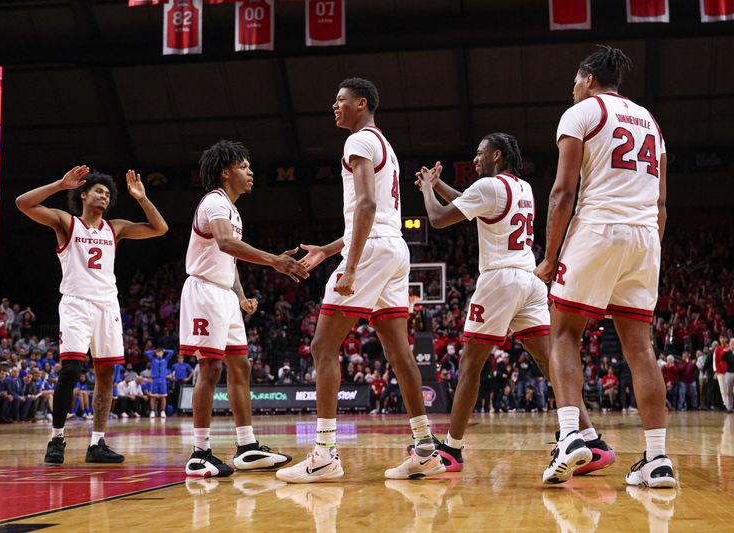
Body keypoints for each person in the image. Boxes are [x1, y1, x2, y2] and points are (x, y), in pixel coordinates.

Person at [277, 78, 445, 483]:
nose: (334, 107)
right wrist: (328, 250)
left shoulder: (357, 143)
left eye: (340, 100)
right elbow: (376, 216)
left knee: (322, 346)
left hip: (371, 250)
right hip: (393, 249)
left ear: (361, 102)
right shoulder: (383, 144)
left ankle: (325, 454)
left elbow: (367, 205)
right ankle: (425, 450)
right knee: (398, 352)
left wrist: (350, 266)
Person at [414, 133, 612, 474]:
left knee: (470, 367)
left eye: (480, 153)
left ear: (499, 155)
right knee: (552, 364)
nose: (475, 159)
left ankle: (451, 449)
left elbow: (438, 218)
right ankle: (592, 440)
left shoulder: (488, 187)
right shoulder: (522, 188)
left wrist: (428, 190)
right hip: (530, 281)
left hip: (500, 280)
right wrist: (441, 183)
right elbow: (470, 202)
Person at [535, 46, 675, 488]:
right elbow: (661, 204)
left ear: (589, 79)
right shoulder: (650, 121)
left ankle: (572, 437)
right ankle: (657, 459)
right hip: (645, 236)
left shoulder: (581, 113)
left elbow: (561, 194)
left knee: (562, 332)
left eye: (575, 81)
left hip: (598, 228)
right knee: (640, 348)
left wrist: (550, 257)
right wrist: (646, 253)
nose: (573, 88)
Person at [16, 166, 168, 464]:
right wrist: (60, 185)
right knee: (71, 370)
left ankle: (97, 443)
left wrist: (142, 198)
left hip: (107, 306)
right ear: (83, 194)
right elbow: (23, 203)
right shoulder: (66, 223)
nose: (104, 196)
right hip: (76, 304)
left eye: (108, 193)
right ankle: (57, 438)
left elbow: (160, 228)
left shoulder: (116, 227)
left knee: (106, 374)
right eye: (99, 190)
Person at [182, 140, 305, 478]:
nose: (251, 172)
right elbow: (224, 243)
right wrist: (274, 261)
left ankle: (246, 446)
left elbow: (230, 259)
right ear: (226, 171)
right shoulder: (214, 202)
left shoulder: (234, 210)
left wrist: (241, 295)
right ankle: (199, 452)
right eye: (244, 166)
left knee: (241, 367)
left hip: (223, 294)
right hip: (204, 291)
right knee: (209, 369)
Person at [145, 347, 173, 418]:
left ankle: (163, 411)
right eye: (158, 352)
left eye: (161, 352)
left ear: (163, 353)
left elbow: (172, 352)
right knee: (153, 397)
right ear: (156, 353)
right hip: (155, 379)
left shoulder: (165, 360)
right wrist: (155, 351)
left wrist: (164, 350)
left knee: (163, 396)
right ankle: (153, 411)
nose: (159, 353)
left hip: (163, 380)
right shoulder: (153, 359)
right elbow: (147, 352)